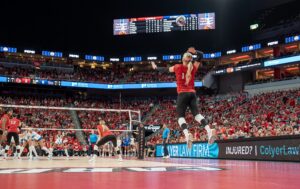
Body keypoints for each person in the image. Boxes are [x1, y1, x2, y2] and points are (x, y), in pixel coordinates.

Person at [151, 47, 216, 147]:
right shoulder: (193, 67)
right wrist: (195, 52)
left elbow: (165, 70)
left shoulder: (177, 67)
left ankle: (187, 134)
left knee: (180, 117)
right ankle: (208, 130)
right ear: (190, 59)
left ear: (182, 59)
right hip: (192, 93)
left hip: (182, 93)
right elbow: (201, 55)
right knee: (197, 115)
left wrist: (155, 67)